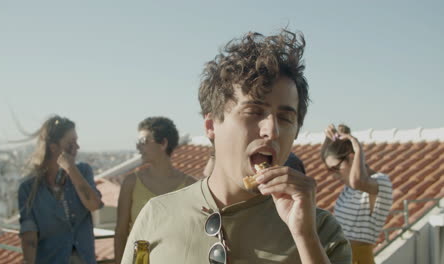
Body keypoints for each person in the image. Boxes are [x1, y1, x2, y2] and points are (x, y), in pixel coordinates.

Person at [121, 29, 351, 263]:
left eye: (285, 118)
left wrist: (305, 238)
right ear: (211, 125)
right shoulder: (157, 215)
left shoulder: (321, 232)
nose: (271, 130)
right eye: (253, 112)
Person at [18, 115, 103, 264]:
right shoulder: (28, 189)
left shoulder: (83, 171)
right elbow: (29, 234)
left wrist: (71, 169)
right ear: (53, 147)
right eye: (71, 142)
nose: (77, 147)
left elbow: (94, 204)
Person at [114, 116, 195, 263]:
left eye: (143, 141)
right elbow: (120, 233)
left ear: (163, 143)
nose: (138, 146)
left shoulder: (190, 185)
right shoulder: (131, 183)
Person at [321, 124, 393, 264]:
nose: (334, 176)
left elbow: (358, 180)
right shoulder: (349, 188)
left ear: (352, 157)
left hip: (358, 258)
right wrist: (329, 140)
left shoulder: (381, 182)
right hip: (338, 256)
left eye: (336, 168)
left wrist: (357, 147)